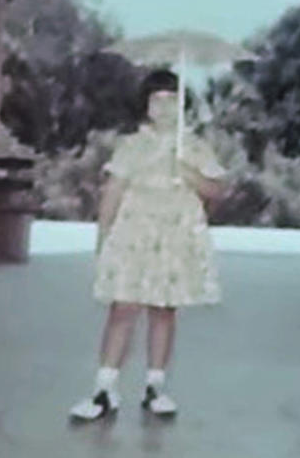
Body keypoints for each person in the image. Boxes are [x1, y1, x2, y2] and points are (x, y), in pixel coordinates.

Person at [69, 69, 229, 421]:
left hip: (175, 235)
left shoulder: (194, 146)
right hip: (136, 234)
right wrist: (103, 236)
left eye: (172, 100)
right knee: (123, 307)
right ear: (146, 106)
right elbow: (113, 191)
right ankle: (104, 388)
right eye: (156, 100)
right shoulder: (133, 145)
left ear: (183, 105)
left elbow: (216, 190)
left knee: (164, 308)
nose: (164, 107)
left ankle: (155, 385)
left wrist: (188, 171)